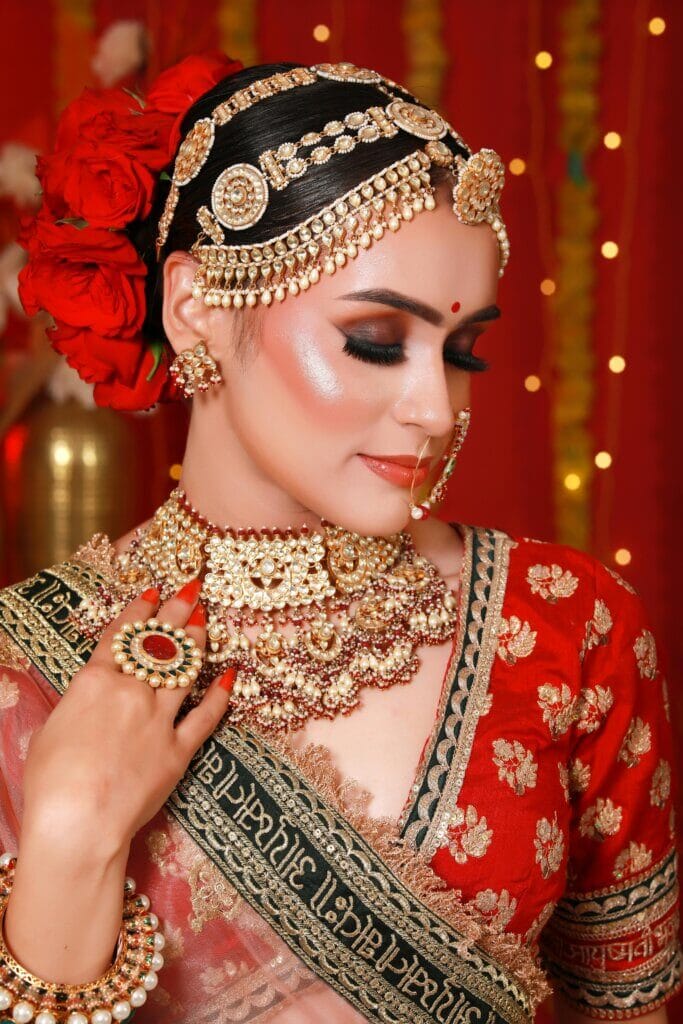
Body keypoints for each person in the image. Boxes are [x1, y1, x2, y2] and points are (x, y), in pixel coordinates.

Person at [0, 54, 679, 1024]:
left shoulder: (566, 626)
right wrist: (71, 839)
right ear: (195, 305)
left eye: (462, 351)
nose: (435, 409)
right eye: (373, 340)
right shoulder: (30, 664)